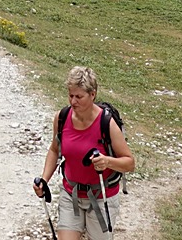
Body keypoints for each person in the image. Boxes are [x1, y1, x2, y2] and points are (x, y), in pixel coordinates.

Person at [33, 66, 135, 240]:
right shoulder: (62, 118)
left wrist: (107, 162)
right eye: (71, 95)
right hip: (70, 193)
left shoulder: (107, 123)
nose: (73, 101)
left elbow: (130, 163)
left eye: (79, 96)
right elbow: (54, 150)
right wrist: (44, 179)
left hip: (102, 199)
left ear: (92, 94)